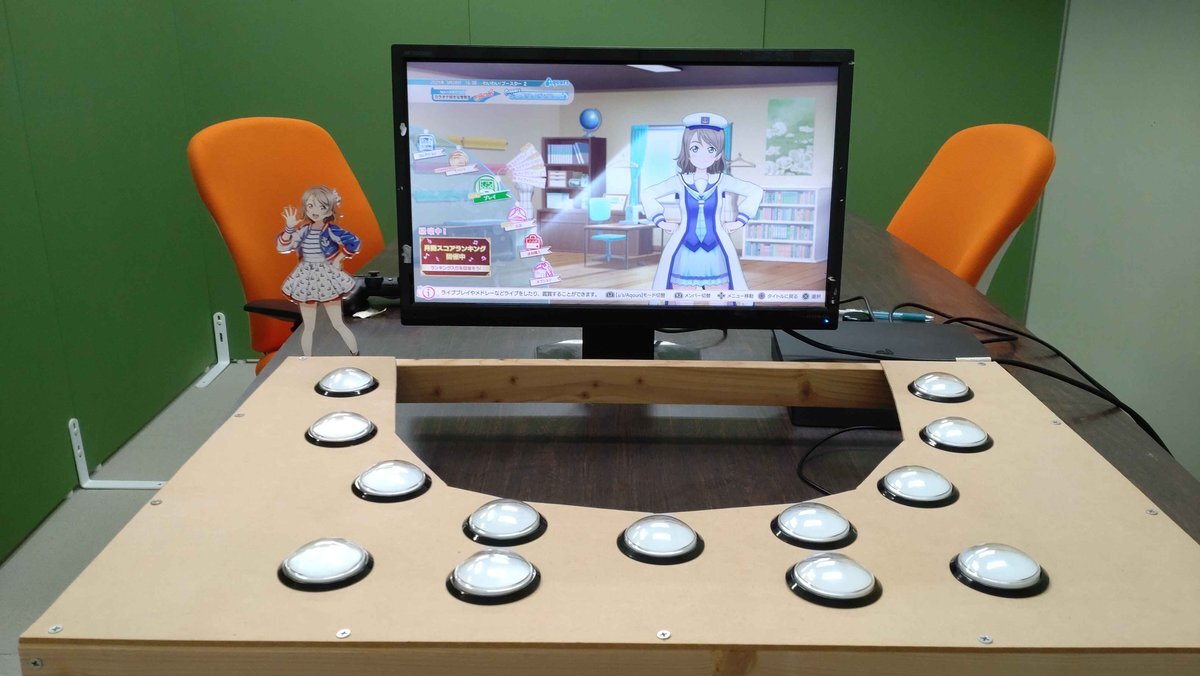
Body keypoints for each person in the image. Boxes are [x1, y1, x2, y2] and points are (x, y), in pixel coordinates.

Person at [641, 113, 763, 299]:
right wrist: (661, 221)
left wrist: (739, 221)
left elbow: (755, 191)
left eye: (711, 149)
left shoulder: (722, 180)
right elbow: (647, 193)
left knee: (720, 299)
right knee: (681, 300)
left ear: (718, 154)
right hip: (684, 249)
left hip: (716, 249)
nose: (703, 155)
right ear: (687, 151)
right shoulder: (679, 181)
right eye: (695, 148)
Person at [275, 185, 361, 356]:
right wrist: (289, 229)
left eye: (322, 207)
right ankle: (308, 361)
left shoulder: (331, 230)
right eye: (310, 206)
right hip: (306, 278)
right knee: (308, 327)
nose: (315, 211)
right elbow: (282, 246)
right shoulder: (303, 231)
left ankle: (356, 355)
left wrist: (338, 259)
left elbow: (354, 242)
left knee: (338, 323)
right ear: (305, 208)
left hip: (326, 277)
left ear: (330, 210)